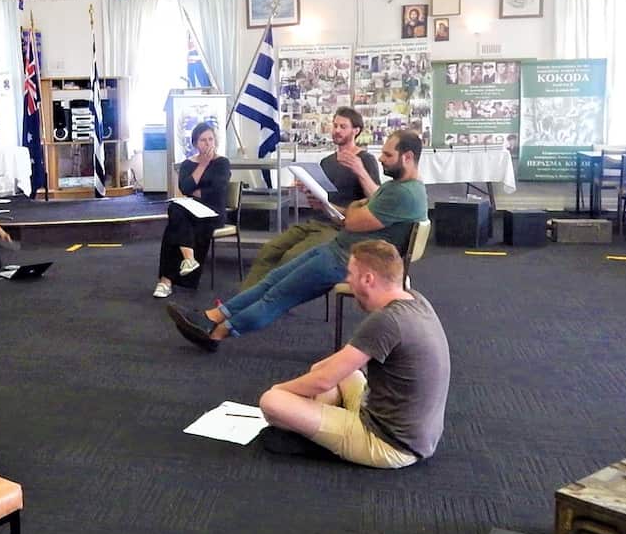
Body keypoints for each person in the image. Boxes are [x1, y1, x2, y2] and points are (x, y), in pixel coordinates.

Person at [167, 130, 427, 352]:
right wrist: (351, 208)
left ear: (408, 157)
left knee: (276, 296)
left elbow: (353, 220)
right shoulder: (397, 188)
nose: (382, 159)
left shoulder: (404, 194)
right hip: (339, 250)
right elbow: (355, 212)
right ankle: (210, 317)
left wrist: (354, 208)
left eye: (388, 155)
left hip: (347, 261)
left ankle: (216, 334)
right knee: (271, 280)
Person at [255, 240, 449, 468]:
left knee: (271, 402)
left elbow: (323, 381)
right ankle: (317, 427)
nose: (347, 280)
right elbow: (326, 371)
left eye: (351, 274)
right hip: (416, 435)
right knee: (333, 371)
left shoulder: (386, 321)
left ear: (368, 279)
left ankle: (316, 436)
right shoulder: (415, 300)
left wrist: (279, 390)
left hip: (389, 444)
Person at [241, 108, 380, 290]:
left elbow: (377, 198)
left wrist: (360, 171)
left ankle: (265, 300)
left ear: (356, 131)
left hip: (342, 226)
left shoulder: (366, 160)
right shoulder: (327, 162)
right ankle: (244, 301)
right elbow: (322, 198)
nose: (337, 130)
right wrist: (308, 189)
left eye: (343, 127)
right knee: (269, 250)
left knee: (291, 257)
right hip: (318, 220)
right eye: (335, 125)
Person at [153, 123, 230, 298]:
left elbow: (219, 190)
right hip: (192, 210)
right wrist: (202, 165)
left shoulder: (222, 163)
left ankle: (166, 280)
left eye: (211, 139)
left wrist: (198, 191)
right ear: (195, 143)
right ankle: (188, 261)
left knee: (174, 225)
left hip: (213, 213)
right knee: (175, 209)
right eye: (203, 140)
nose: (208, 143)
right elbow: (185, 188)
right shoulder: (189, 164)